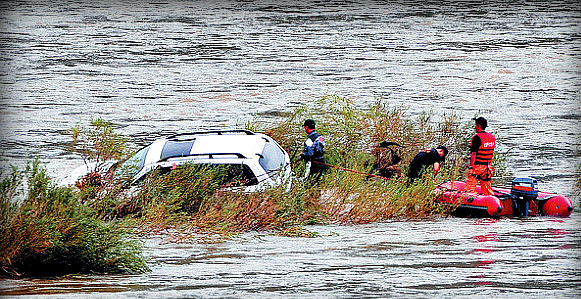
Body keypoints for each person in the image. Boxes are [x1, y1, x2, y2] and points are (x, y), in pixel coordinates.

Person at [465, 117, 496, 195]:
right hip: (488, 167)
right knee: (487, 189)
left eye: (475, 125)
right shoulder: (492, 137)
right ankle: (490, 202)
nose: (474, 127)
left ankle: (469, 202)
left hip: (477, 167)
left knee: (469, 188)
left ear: (478, 126)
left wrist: (471, 167)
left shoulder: (476, 138)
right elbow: (490, 152)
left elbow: (473, 154)